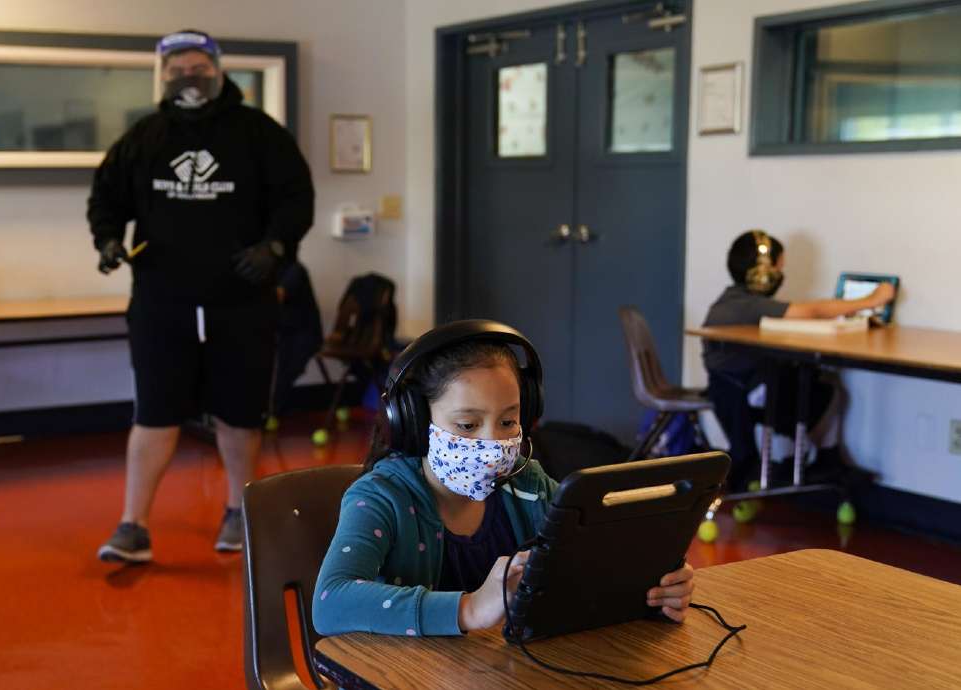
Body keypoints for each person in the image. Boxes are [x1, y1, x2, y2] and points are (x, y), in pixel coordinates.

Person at [87, 30, 314, 563]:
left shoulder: (259, 134)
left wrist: (275, 247)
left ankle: (239, 510)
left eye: (199, 68)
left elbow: (296, 198)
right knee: (155, 412)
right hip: (162, 301)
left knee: (239, 414)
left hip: (242, 300)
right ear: (163, 75)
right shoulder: (144, 138)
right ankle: (132, 525)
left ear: (217, 71)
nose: (189, 77)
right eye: (178, 69)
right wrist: (107, 240)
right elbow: (106, 197)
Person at [312, 321, 695, 636]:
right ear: (415, 422)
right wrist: (469, 609)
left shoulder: (526, 484)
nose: (492, 442)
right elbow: (330, 602)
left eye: (508, 421)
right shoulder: (382, 498)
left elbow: (583, 568)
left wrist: (651, 590)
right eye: (467, 424)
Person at [702, 230, 895, 490]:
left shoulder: (733, 302)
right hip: (745, 391)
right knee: (826, 390)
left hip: (731, 389)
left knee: (817, 381)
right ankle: (819, 461)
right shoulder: (747, 305)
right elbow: (811, 311)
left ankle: (811, 460)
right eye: (780, 268)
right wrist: (873, 300)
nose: (782, 275)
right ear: (762, 273)